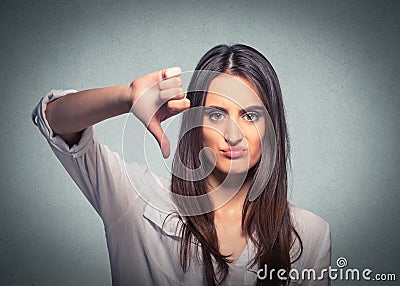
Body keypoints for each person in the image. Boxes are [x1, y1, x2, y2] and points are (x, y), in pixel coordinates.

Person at [31, 44, 331, 286]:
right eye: (216, 114)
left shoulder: (311, 235)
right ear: (195, 123)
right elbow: (53, 120)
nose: (233, 135)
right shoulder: (133, 200)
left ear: (271, 127)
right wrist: (127, 96)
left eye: (250, 116)